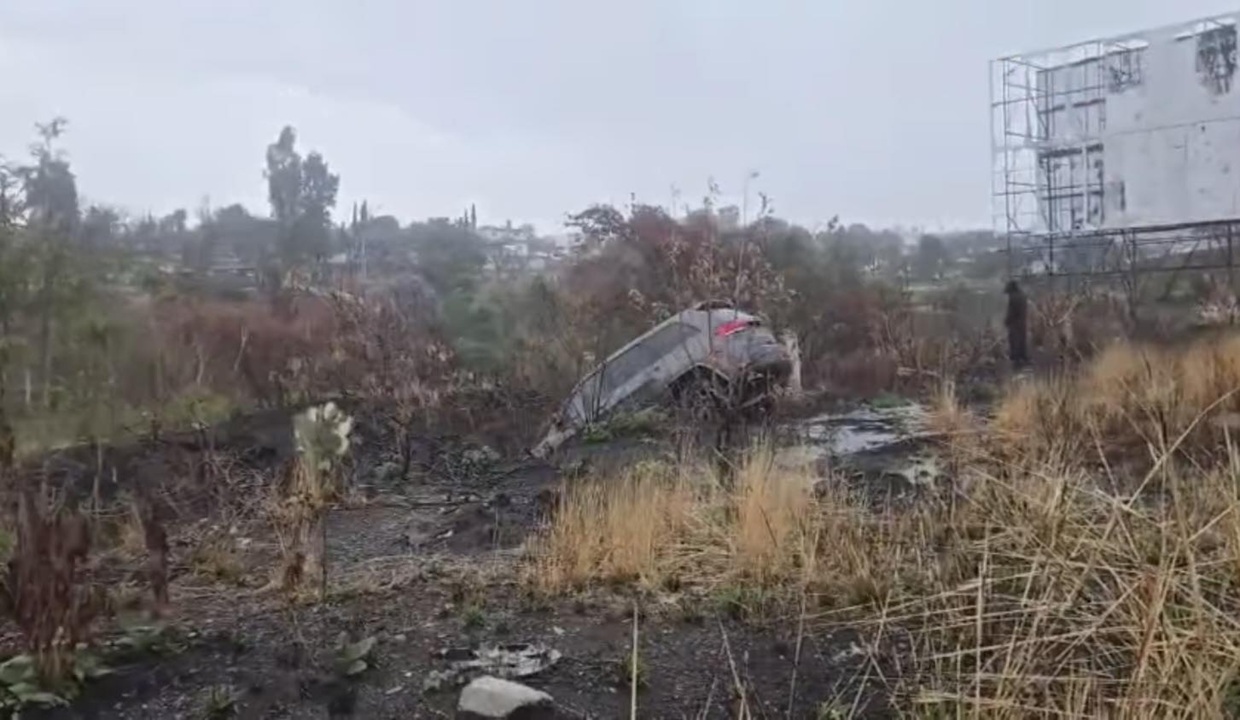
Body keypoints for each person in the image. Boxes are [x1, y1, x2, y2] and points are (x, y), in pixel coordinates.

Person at [1004, 280, 1030, 370]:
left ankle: (1016, 359)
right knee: (1022, 339)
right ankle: (1023, 357)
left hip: (1014, 323)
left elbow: (1012, 312)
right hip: (1022, 322)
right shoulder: (1022, 295)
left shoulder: (1013, 297)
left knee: (1014, 340)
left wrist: (1007, 321)